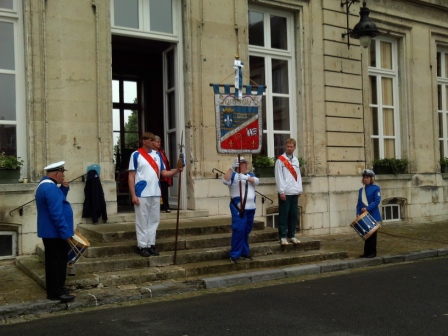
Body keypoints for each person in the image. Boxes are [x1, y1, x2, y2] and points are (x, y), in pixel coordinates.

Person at [128, 132, 184, 257]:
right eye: (150, 140)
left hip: (155, 192)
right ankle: (142, 245)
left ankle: (151, 244)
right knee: (142, 220)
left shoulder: (157, 155)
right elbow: (131, 176)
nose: (153, 142)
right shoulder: (136, 155)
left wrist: (176, 170)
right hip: (141, 192)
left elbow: (164, 173)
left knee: (154, 220)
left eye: (154, 140)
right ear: (144, 141)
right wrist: (133, 195)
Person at [35, 161, 75, 303]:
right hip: (55, 233)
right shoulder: (50, 188)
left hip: (51, 232)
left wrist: (64, 190)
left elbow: (58, 202)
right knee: (57, 263)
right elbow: (56, 213)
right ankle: (56, 292)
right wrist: (65, 232)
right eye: (62, 173)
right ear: (56, 173)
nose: (64, 176)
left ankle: (56, 289)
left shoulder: (46, 185)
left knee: (54, 262)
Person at [222, 156, 259, 263]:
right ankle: (234, 254)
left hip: (251, 207)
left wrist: (246, 178)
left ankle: (244, 252)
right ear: (238, 166)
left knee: (246, 231)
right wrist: (232, 168)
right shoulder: (233, 176)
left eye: (246, 163)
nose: (246, 165)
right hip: (239, 207)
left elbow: (256, 181)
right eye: (243, 164)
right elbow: (225, 180)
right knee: (239, 230)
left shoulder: (250, 175)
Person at [274, 138, 303, 246]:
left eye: (291, 147)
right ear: (285, 147)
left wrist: (299, 189)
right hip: (285, 192)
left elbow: (298, 175)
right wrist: (281, 191)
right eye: (288, 146)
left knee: (293, 215)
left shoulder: (296, 160)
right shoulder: (280, 160)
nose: (289, 148)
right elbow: (278, 177)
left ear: (294, 148)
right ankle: (282, 236)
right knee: (284, 215)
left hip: (294, 192)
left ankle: (292, 235)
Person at [356, 169, 382, 258]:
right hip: (363, 215)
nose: (365, 179)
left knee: (372, 235)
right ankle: (366, 252)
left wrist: (367, 208)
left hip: (373, 214)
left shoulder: (376, 188)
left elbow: (376, 201)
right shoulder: (361, 190)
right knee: (366, 235)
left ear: (371, 179)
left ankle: (373, 252)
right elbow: (359, 203)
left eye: (367, 178)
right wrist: (358, 212)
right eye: (364, 178)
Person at [153, 135, 173, 213]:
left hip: (163, 174)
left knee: (164, 191)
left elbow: (165, 163)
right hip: (155, 175)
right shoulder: (151, 152)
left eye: (160, 142)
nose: (159, 143)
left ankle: (166, 206)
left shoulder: (162, 152)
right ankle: (158, 206)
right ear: (153, 142)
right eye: (157, 142)